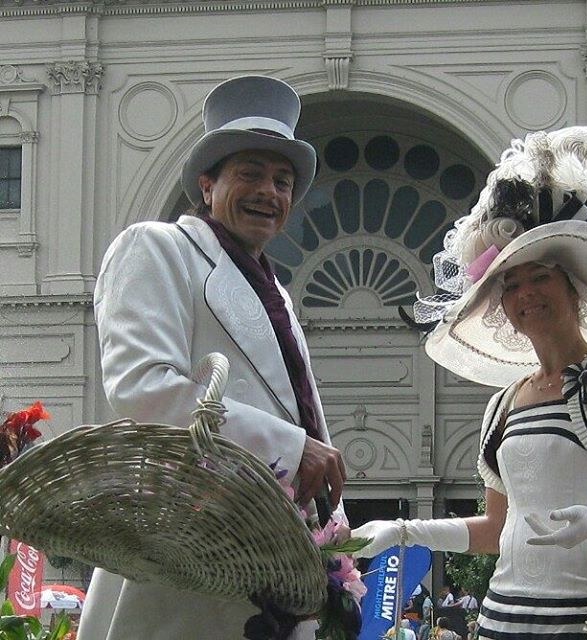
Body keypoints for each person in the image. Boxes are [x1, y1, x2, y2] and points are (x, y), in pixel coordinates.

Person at [78, 75, 347, 640]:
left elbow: (299, 410)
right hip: (182, 558)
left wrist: (328, 523)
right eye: (249, 173)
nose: (269, 192)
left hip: (267, 561)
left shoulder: (276, 291)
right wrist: (291, 448)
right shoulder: (156, 246)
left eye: (282, 181)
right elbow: (142, 387)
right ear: (207, 184)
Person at [350, 126, 587, 638]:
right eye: (511, 284)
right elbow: (495, 530)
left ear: (575, 288)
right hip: (501, 622)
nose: (526, 293)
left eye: (541, 276)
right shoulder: (504, 404)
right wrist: (402, 531)